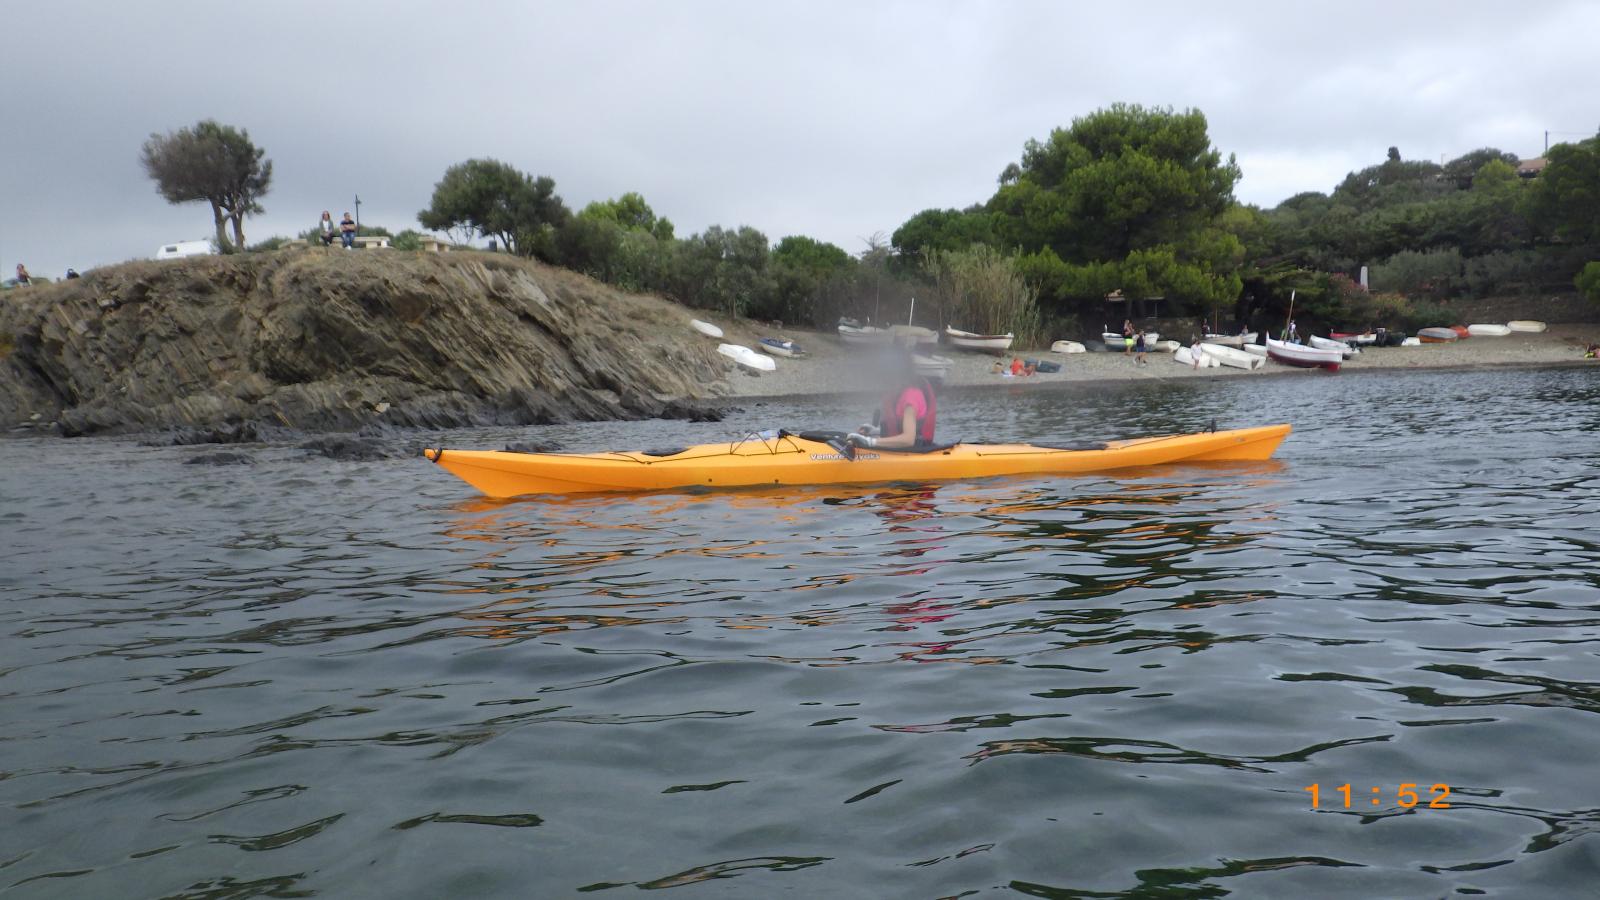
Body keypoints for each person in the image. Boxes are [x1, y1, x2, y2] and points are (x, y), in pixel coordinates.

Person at [848, 351, 937, 450]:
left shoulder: (910, 398)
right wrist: (875, 432)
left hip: (913, 454)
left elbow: (908, 439)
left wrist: (870, 442)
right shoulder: (897, 393)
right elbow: (898, 429)